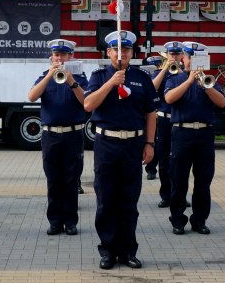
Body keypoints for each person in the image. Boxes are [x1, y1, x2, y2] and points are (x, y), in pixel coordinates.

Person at [83, 30, 156, 269]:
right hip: (107, 144)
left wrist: (150, 143)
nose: (121, 54)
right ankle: (107, 251)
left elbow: (151, 113)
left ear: (132, 53)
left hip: (134, 145)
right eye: (116, 50)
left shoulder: (142, 78)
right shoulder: (99, 75)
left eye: (126, 50)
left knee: (129, 201)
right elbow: (88, 104)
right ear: (109, 52)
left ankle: (127, 251)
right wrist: (111, 83)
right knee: (106, 200)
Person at [164, 42, 225, 235]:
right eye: (190, 57)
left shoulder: (210, 80)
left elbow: (222, 102)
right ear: (184, 58)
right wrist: (189, 81)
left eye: (198, 58)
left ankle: (199, 220)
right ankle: (178, 220)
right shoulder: (175, 78)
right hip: (182, 133)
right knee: (179, 180)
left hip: (205, 134)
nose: (192, 61)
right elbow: (169, 99)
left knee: (203, 181)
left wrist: (206, 87)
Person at [27, 39, 87, 236]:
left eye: (63, 55)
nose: (59, 58)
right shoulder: (44, 76)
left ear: (70, 57)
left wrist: (72, 81)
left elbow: (86, 102)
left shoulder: (79, 77)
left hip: (73, 134)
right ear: (51, 57)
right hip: (50, 135)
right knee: (53, 180)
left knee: (71, 180)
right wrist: (49, 76)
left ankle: (70, 221)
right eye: (56, 55)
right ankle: (54, 221)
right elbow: (32, 97)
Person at [150, 41, 185, 208]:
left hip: (180, 120)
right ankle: (166, 195)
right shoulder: (159, 72)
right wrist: (164, 69)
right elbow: (151, 89)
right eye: (172, 54)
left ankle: (180, 196)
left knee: (181, 161)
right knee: (164, 159)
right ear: (166, 55)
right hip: (164, 120)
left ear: (182, 56)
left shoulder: (187, 74)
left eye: (177, 54)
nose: (174, 56)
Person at [142, 54, 164, 182]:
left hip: (160, 113)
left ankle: (161, 168)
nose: (156, 67)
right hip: (150, 114)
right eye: (155, 65)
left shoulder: (166, 74)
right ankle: (150, 169)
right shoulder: (147, 76)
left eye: (158, 65)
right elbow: (152, 87)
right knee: (151, 141)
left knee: (162, 144)